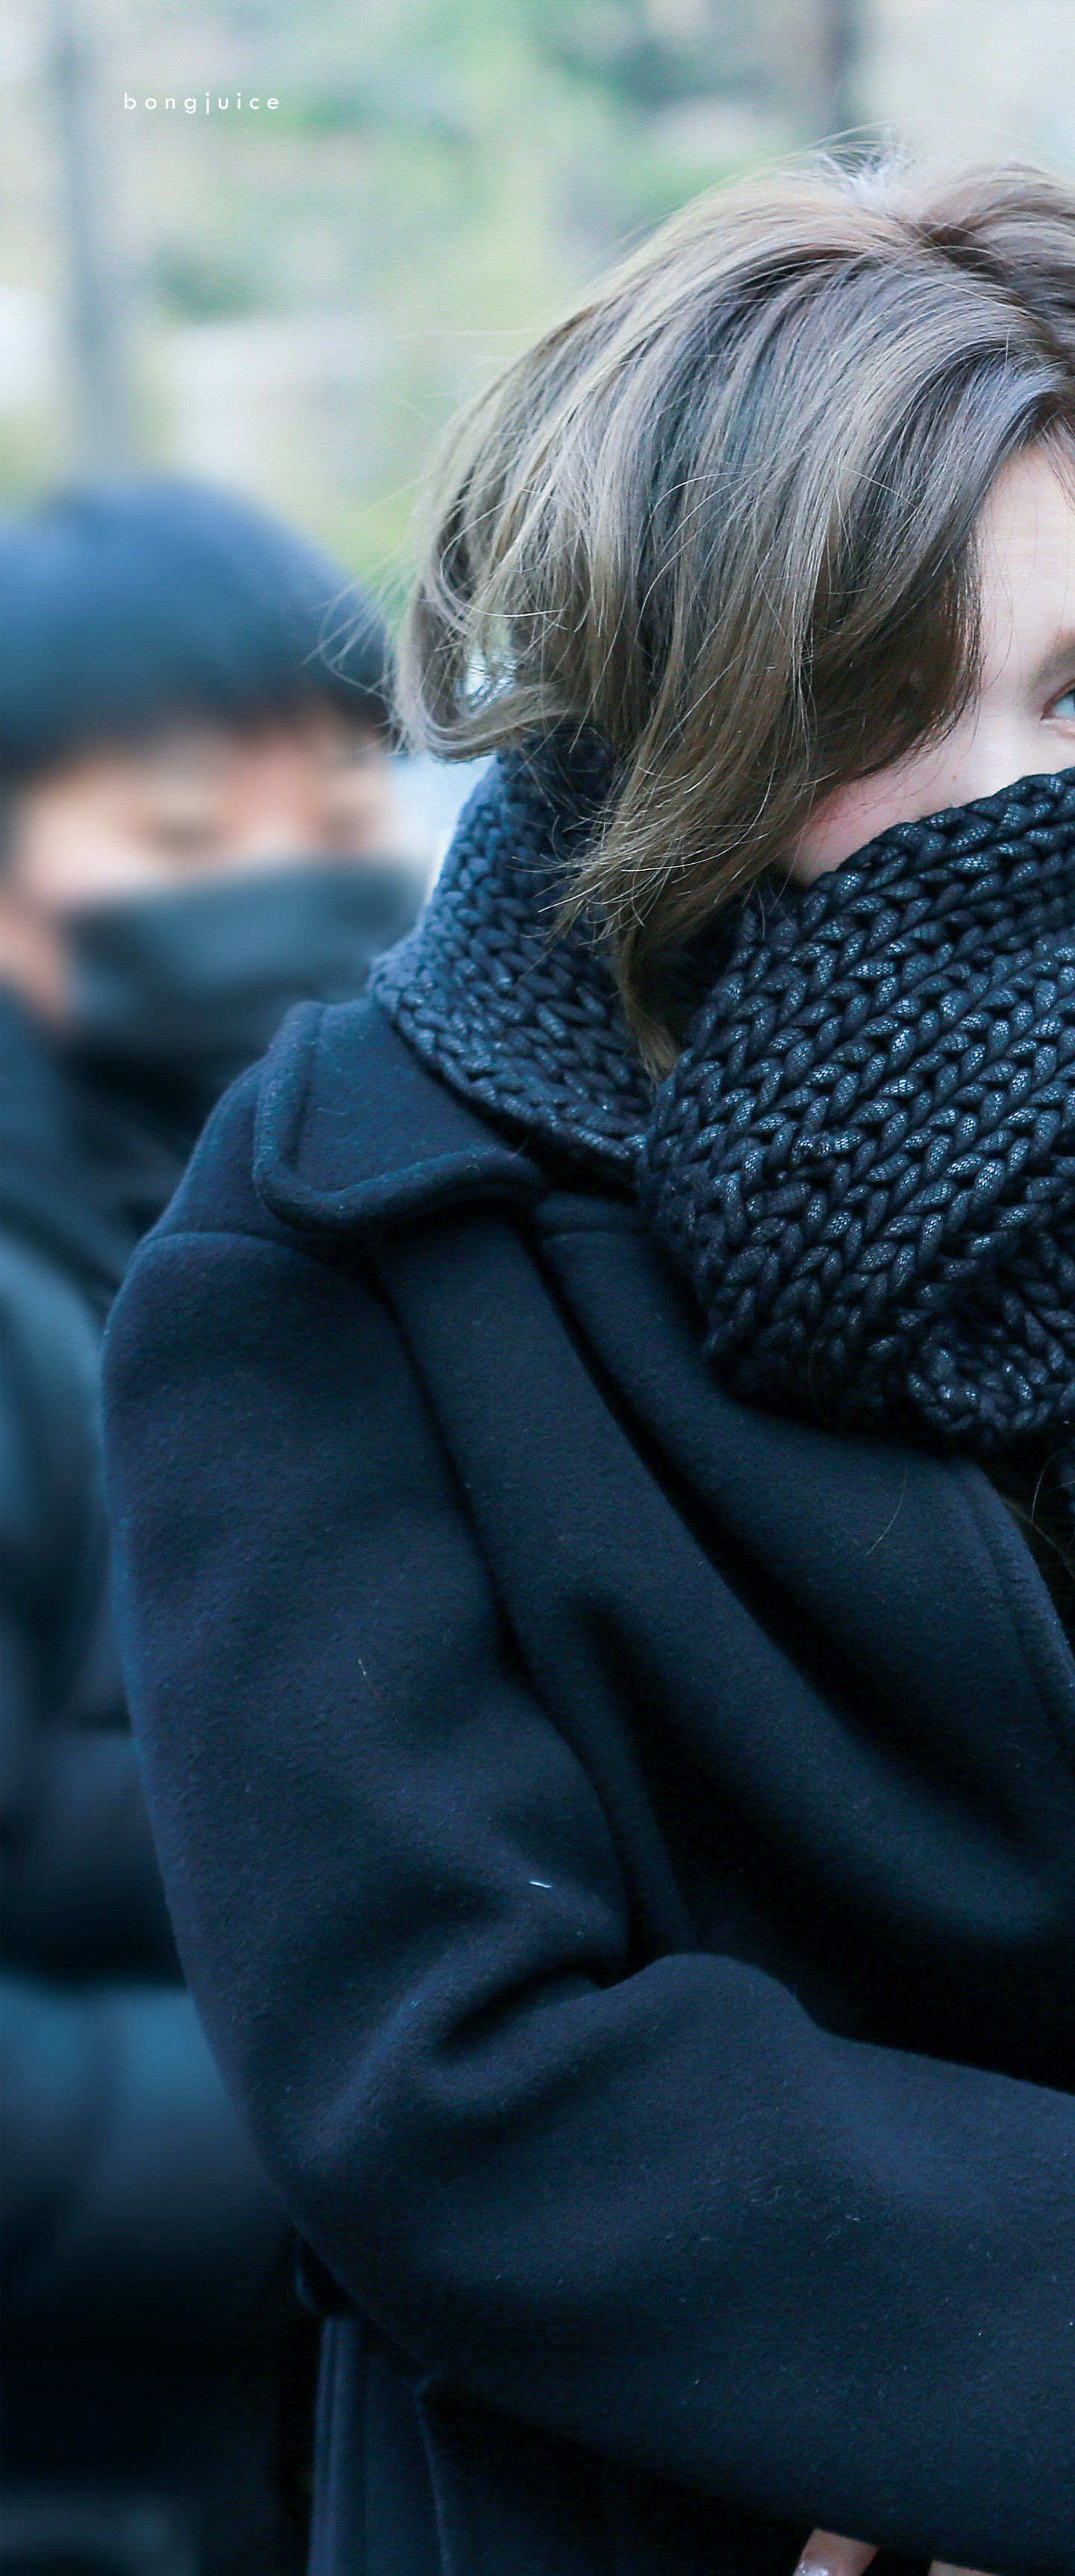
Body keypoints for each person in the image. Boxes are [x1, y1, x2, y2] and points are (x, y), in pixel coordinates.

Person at [101, 166, 1075, 2576]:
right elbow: (435, 2059)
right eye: (881, 698)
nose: (1015, 807)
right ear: (684, 693)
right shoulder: (351, 1223)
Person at [0, 478, 423, 2575]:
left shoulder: (352, 1235)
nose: (284, 880)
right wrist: (397, 2139)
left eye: (339, 806)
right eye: (179, 832)